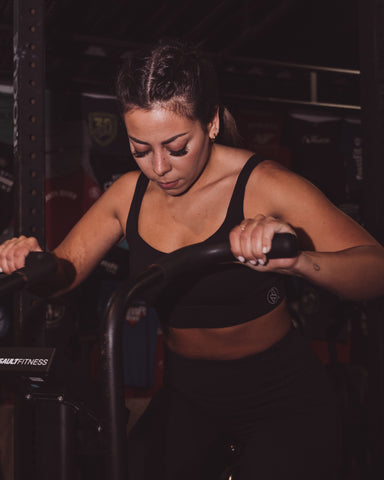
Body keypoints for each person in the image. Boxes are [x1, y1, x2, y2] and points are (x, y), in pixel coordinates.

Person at [1, 39, 384, 480]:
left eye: (176, 147)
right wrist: (27, 260)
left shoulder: (266, 184)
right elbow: (64, 273)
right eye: (140, 149)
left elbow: (374, 268)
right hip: (187, 393)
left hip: (279, 393)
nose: (159, 167)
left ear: (213, 123)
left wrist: (298, 261)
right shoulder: (128, 194)